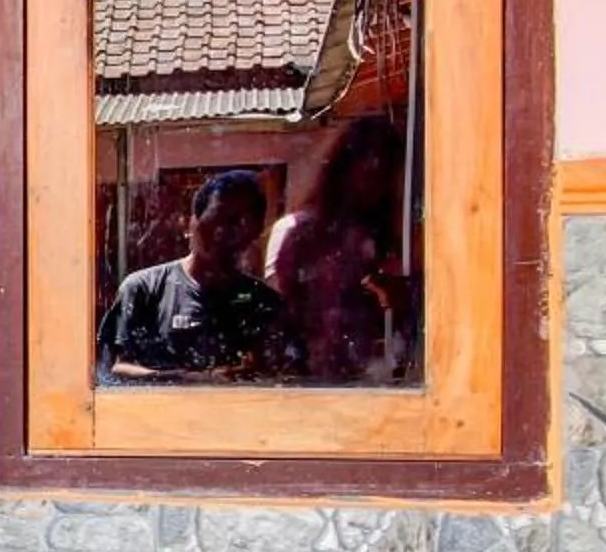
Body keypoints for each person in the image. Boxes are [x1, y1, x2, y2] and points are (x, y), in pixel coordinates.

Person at [97, 170, 301, 381]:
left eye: (239, 221)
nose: (223, 231)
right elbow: (113, 371)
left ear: (256, 232)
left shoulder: (265, 304)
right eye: (217, 216)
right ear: (190, 221)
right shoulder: (143, 289)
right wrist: (195, 379)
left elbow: (285, 377)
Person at [266, 118, 413, 384]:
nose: (374, 180)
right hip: (312, 383)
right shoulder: (297, 233)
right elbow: (279, 318)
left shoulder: (389, 241)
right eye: (366, 166)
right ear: (341, 168)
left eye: (385, 172)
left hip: (375, 383)